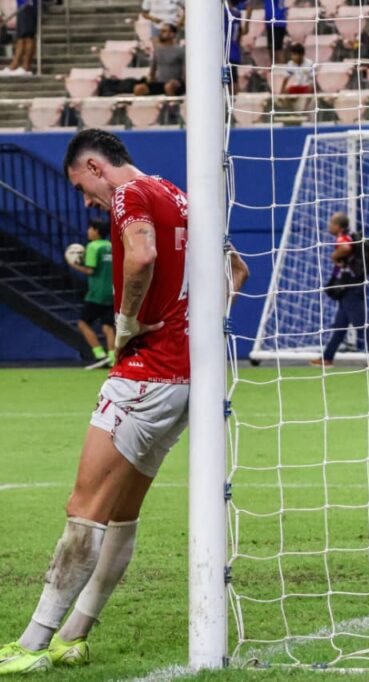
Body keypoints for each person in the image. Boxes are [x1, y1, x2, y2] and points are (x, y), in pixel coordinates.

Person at [0, 129, 248, 674]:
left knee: (84, 510)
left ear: (94, 165)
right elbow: (238, 273)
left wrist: (129, 323)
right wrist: (196, 328)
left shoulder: (129, 196)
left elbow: (139, 257)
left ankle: (33, 643)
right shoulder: (179, 195)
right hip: (187, 379)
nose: (88, 201)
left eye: (83, 188)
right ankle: (74, 636)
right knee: (122, 513)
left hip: (145, 373)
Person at [311, 212, 369, 369]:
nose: (329, 226)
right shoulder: (350, 235)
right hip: (352, 287)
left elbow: (345, 248)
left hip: (351, 288)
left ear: (338, 226)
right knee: (340, 325)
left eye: (331, 223)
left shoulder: (343, 237)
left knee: (361, 324)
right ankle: (327, 358)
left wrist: (334, 256)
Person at [69, 217, 116, 370]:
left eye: (90, 228)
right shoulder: (110, 246)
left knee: (83, 323)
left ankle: (99, 354)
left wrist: (74, 264)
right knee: (108, 326)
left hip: (96, 294)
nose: (88, 231)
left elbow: (90, 270)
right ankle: (112, 358)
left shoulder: (93, 247)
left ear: (96, 231)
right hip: (112, 292)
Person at [132, 23, 185, 97]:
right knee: (138, 88)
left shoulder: (180, 50)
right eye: (161, 31)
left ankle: (172, 106)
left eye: (164, 31)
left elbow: (185, 70)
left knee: (169, 86)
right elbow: (153, 69)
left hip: (175, 83)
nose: (161, 33)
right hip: (160, 83)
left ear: (172, 34)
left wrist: (181, 81)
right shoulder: (158, 49)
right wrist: (151, 79)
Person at [243, 0, 288, 64]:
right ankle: (275, 69)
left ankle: (280, 70)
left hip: (277, 22)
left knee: (277, 50)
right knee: (273, 49)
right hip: (273, 23)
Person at [0, 0, 37, 77]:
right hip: (21, 4)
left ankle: (26, 67)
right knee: (20, 36)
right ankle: (14, 65)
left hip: (28, 4)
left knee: (28, 36)